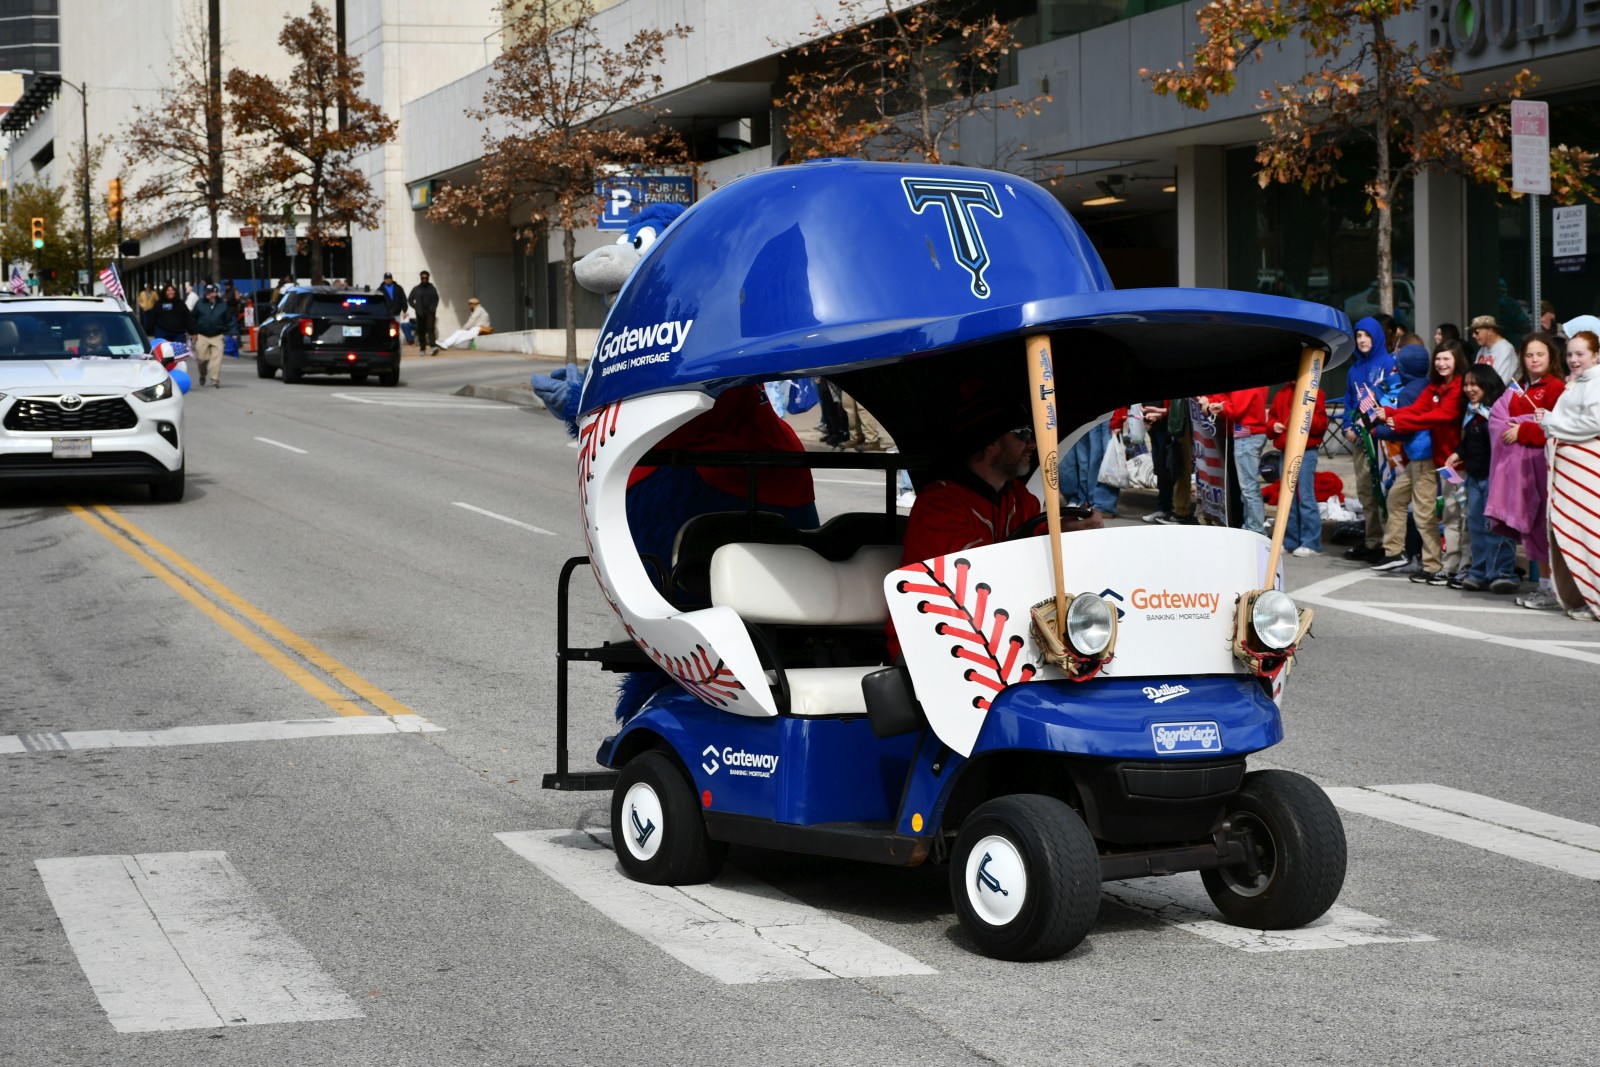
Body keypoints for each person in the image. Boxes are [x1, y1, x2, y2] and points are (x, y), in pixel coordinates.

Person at [891, 383, 1102, 658]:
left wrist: (1068, 534)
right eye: (1022, 433)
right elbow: (977, 575)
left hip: (999, 636)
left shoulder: (1020, 499)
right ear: (989, 442)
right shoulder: (939, 504)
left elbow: (1035, 551)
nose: (1032, 443)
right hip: (932, 638)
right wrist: (1048, 536)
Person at [1372, 338, 1465, 580]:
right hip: (1431, 458)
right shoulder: (1433, 386)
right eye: (1438, 358)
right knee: (1397, 497)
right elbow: (1418, 410)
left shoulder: (1456, 387)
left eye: (1446, 359)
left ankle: (1434, 565)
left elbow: (1437, 417)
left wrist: (1393, 421)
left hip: (1446, 459)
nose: (1441, 363)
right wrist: (1390, 413)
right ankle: (1395, 552)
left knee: (1435, 514)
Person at [1487, 332, 1568, 607]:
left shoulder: (1556, 387)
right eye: (1529, 355)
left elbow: (1558, 426)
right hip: (1518, 470)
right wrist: (1523, 423)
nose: (1534, 359)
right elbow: (1498, 419)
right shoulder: (1517, 387)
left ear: (1551, 356)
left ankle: (1555, 590)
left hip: (1544, 467)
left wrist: (1522, 429)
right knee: (1532, 530)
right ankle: (1545, 587)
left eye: (1540, 354)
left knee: (1544, 528)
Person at [1539, 329, 1600, 621]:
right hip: (1569, 474)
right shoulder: (1579, 382)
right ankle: (1584, 597)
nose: (1573, 359)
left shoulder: (1595, 382)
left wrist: (1552, 421)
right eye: (1570, 354)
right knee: (1572, 535)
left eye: (1580, 354)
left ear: (1596, 355)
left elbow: (1595, 422)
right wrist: (1550, 422)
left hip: (1586, 474)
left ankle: (1594, 598)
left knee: (1589, 536)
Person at [1445, 364, 1514, 592]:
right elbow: (1468, 442)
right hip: (1474, 478)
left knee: (1495, 527)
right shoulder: (1472, 413)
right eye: (1466, 384)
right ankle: (1479, 572)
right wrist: (1457, 454)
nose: (1469, 389)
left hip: (1496, 479)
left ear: (1487, 384)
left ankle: (1502, 572)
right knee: (1475, 527)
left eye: (1474, 384)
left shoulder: (1498, 412)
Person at [1341, 317, 1395, 562]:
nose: (1362, 340)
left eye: (1367, 335)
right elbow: (1349, 400)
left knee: (1383, 490)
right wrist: (1348, 426)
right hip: (1360, 440)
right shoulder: (1354, 368)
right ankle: (1372, 541)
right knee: (1365, 491)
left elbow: (1386, 398)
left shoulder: (1388, 363)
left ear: (1377, 337)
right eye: (1358, 335)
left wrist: (1360, 425)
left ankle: (1388, 543)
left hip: (1382, 438)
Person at [1268, 380, 1329, 555]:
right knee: (1287, 497)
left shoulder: (1315, 392)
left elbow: (1321, 425)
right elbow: (1271, 419)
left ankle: (1311, 543)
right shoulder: (1281, 393)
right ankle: (1290, 541)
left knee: (1305, 496)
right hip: (1286, 449)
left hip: (1306, 449)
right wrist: (1273, 426)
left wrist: (1304, 417)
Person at [1208, 387, 1269, 534]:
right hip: (1250, 432)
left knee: (1248, 488)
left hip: (1247, 433)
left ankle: (1255, 528)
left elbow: (1236, 409)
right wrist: (1224, 406)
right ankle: (1251, 526)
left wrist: (1223, 406)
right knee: (1248, 487)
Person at [190, 283, 238, 388]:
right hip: (202, 335)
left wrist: (233, 332)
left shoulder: (222, 305)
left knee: (217, 358)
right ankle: (202, 374)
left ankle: (214, 379)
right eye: (207, 292)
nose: (208, 294)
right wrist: (192, 332)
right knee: (202, 358)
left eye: (210, 292)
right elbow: (193, 318)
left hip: (217, 335)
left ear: (215, 293)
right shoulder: (200, 303)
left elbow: (229, 320)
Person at [1470, 315, 1518, 385]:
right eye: (1472, 332)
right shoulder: (1482, 349)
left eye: (1476, 331)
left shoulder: (1505, 349)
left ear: (1490, 330)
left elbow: (1499, 383)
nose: (1473, 335)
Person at [409, 270, 440, 354]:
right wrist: (416, 307)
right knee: (421, 330)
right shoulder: (416, 289)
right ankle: (422, 348)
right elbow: (410, 299)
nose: (424, 279)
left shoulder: (432, 288)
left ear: (428, 278)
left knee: (430, 329)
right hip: (420, 313)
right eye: (423, 278)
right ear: (420, 278)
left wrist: (433, 307)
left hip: (430, 312)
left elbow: (436, 299)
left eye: (426, 278)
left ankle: (433, 346)